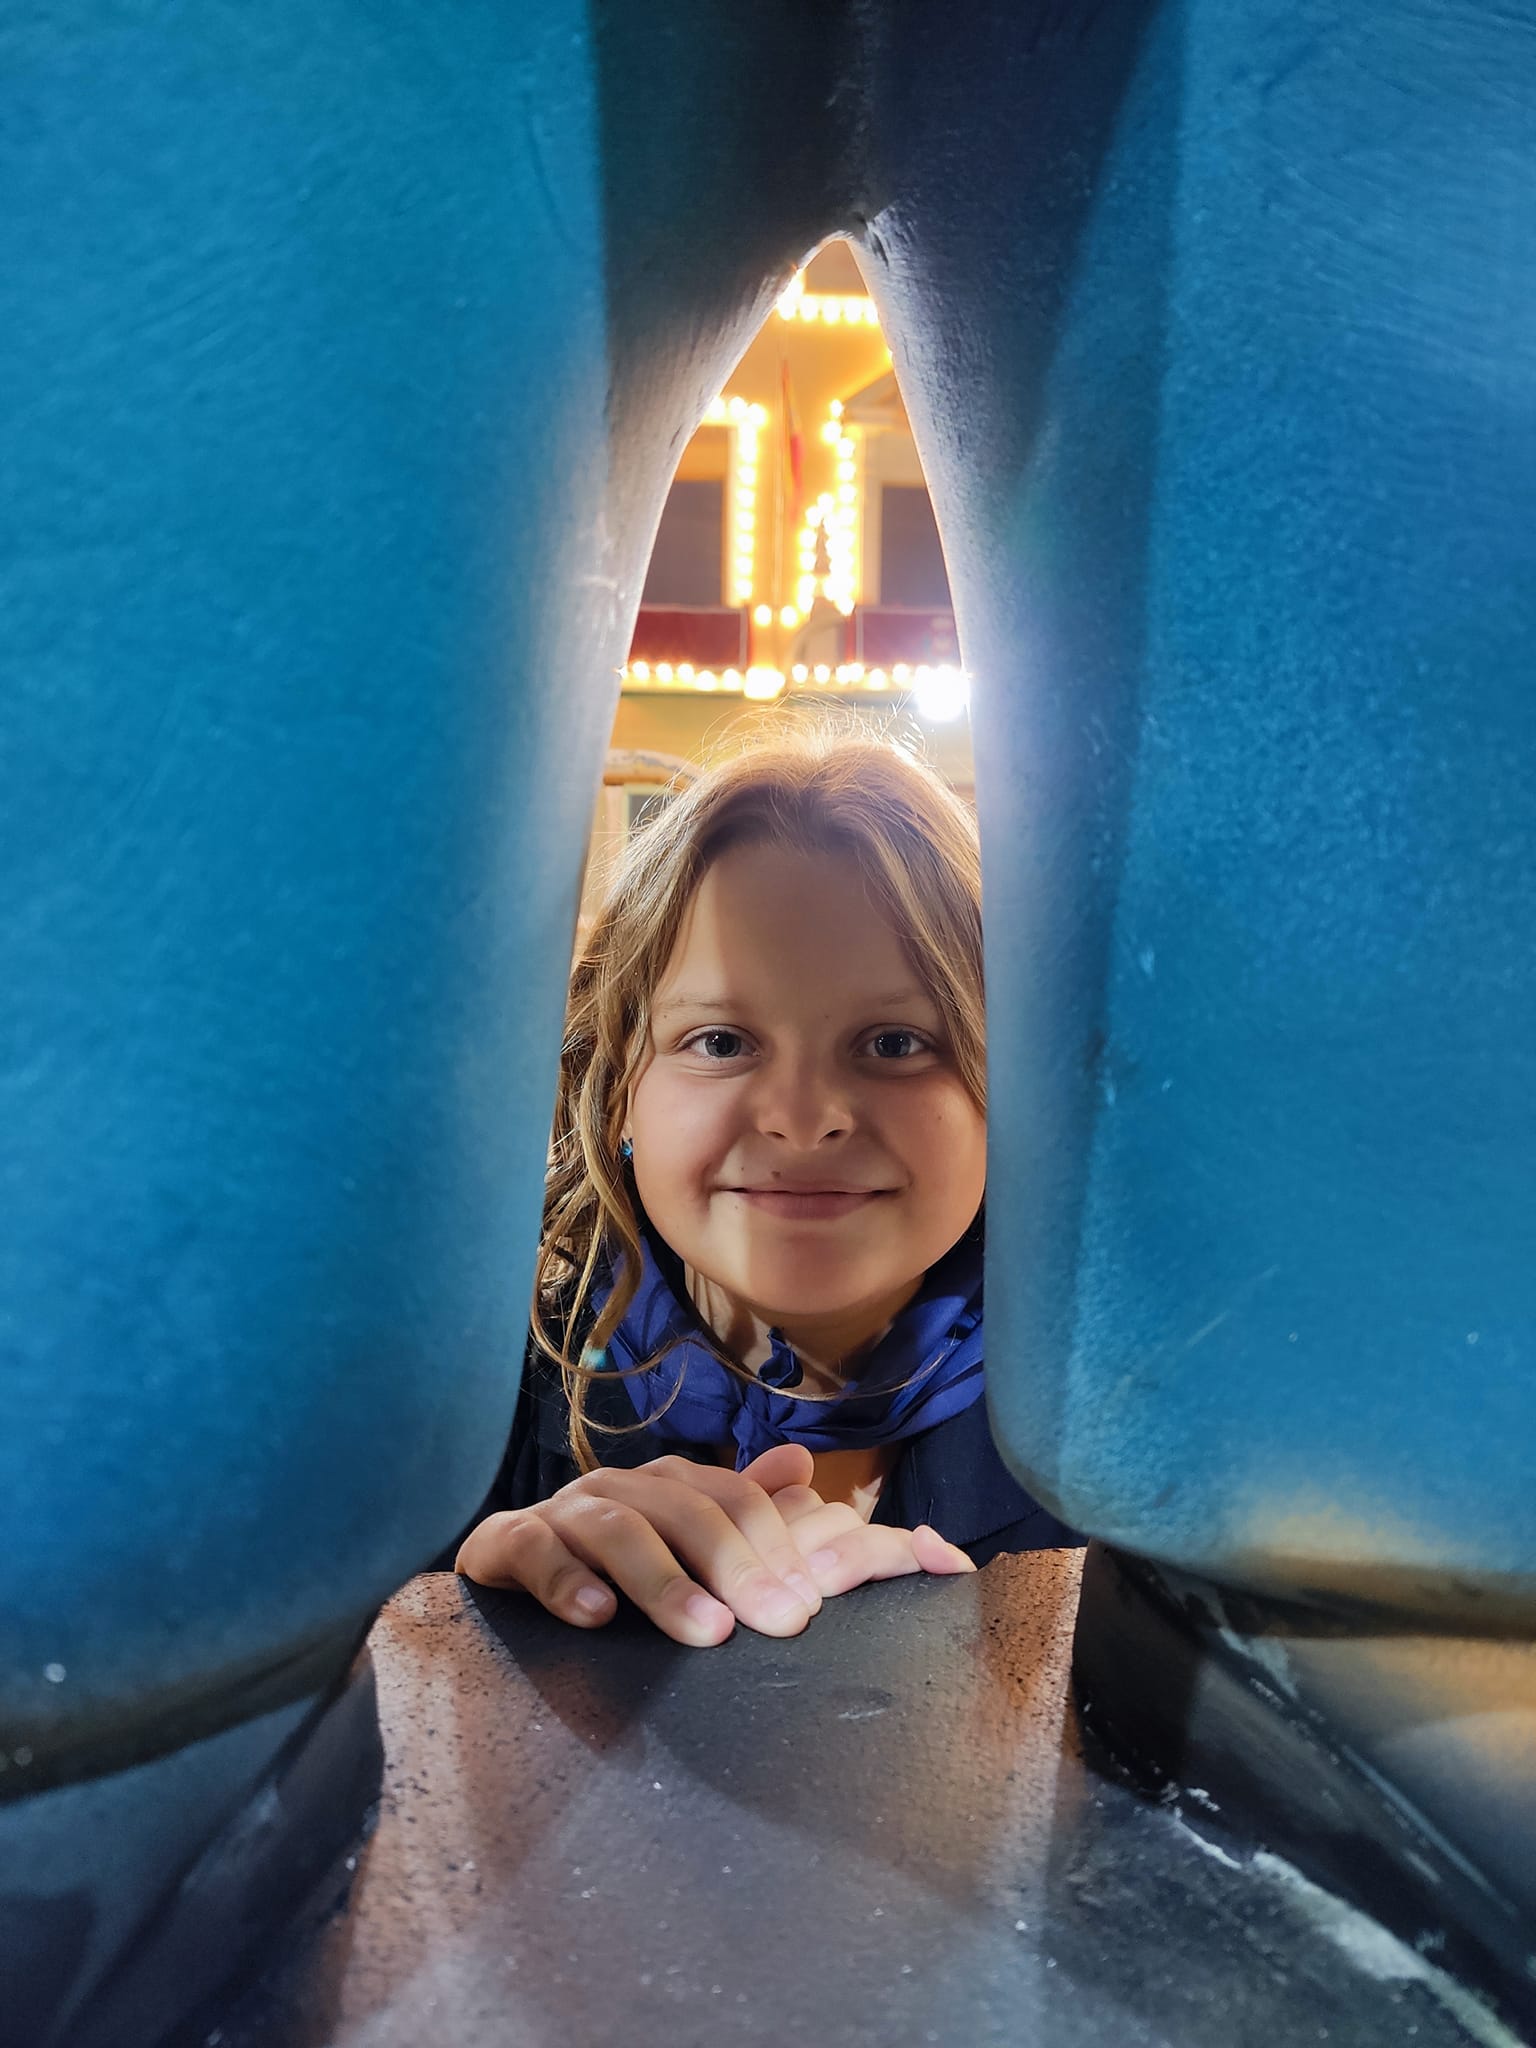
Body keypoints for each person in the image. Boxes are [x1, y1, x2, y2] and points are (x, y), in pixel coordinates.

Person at [454, 724, 1078, 1645]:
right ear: (618, 1087)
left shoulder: (1133, 1446)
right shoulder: (459, 1412)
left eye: (895, 1043)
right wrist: (465, 1615)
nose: (802, 1117)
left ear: (1009, 1089)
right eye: (720, 1041)